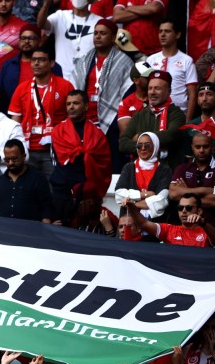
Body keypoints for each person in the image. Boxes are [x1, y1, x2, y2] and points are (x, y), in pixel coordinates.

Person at [8, 48, 75, 176]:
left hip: (54, 149)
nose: (36, 63)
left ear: (51, 63)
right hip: (27, 150)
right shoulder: (21, 88)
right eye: (33, 60)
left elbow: (72, 119)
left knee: (53, 186)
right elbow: (15, 122)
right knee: (30, 187)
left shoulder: (65, 86)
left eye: (41, 60)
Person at [50, 90, 112, 225]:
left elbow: (104, 164)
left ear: (86, 106)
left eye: (76, 103)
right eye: (68, 104)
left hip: (87, 196)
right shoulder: (58, 131)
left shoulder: (98, 134)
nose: (71, 107)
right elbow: (60, 161)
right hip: (62, 194)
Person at [71, 19, 135, 133]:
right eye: (95, 33)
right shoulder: (84, 61)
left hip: (113, 120)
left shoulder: (124, 62)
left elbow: (128, 93)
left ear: (113, 37)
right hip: (84, 118)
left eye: (103, 33)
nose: (98, 36)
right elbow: (74, 89)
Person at [38, 0, 101, 79]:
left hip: (87, 77)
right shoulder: (60, 16)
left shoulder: (99, 21)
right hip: (62, 76)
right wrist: (46, 3)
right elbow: (41, 24)